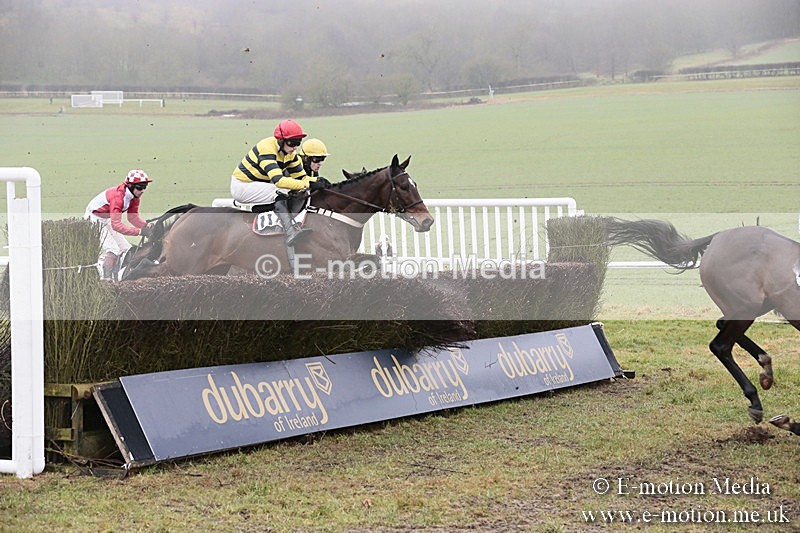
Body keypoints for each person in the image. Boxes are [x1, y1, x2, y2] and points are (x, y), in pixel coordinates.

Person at [230, 119, 330, 246]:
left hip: (260, 185)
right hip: (242, 186)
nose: (295, 148)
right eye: (292, 143)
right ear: (281, 140)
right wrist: (309, 184)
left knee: (290, 190)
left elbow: (301, 178)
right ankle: (290, 231)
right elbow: (279, 181)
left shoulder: (291, 154)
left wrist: (320, 182)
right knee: (280, 191)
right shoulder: (267, 148)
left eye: (298, 143)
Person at [85, 169, 154, 281]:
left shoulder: (134, 198)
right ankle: (106, 280)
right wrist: (140, 231)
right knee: (113, 249)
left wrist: (146, 225)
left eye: (144, 187)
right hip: (94, 219)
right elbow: (116, 225)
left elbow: (133, 218)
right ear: (130, 186)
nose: (142, 191)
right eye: (139, 187)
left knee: (125, 248)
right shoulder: (118, 197)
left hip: (106, 218)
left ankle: (117, 276)